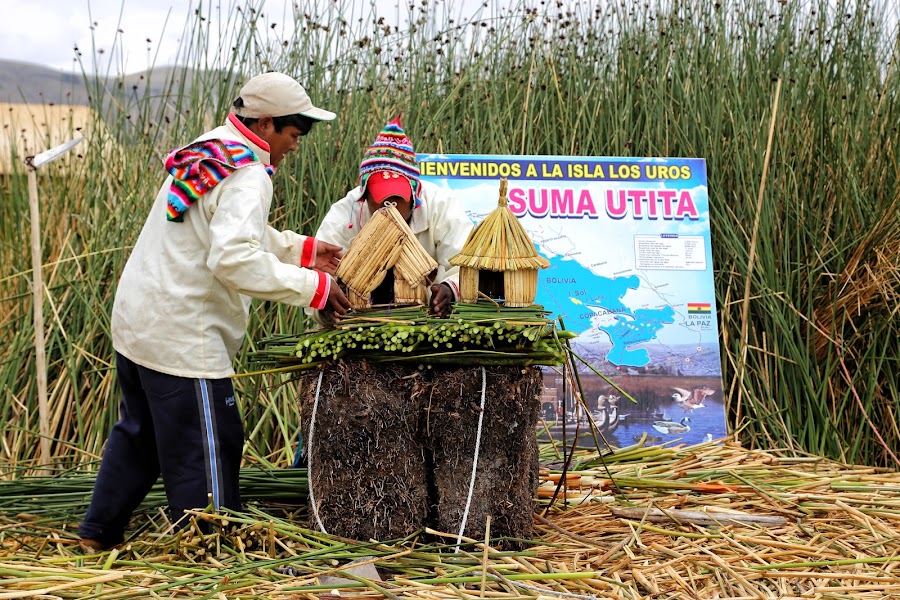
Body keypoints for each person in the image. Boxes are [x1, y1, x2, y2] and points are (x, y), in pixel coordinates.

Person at [78, 72, 351, 550]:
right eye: (292, 134)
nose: (294, 146)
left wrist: (303, 250)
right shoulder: (248, 174)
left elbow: (217, 228)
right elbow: (232, 258)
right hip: (182, 334)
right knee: (211, 442)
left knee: (140, 435)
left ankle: (97, 533)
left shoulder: (214, 148)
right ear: (266, 124)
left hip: (141, 317)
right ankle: (214, 551)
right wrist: (316, 287)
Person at [311, 116, 473, 322]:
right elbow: (319, 280)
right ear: (364, 195)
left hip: (427, 322)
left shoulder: (440, 206)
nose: (390, 207)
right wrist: (326, 307)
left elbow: (466, 264)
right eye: (379, 198)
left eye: (397, 198)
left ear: (414, 194)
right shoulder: (345, 215)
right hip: (360, 322)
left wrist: (450, 290)